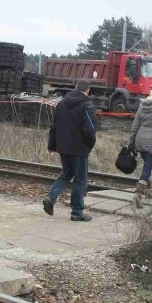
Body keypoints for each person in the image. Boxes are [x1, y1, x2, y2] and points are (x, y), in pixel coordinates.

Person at [43, 79, 97, 221]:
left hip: (63, 147)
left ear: (75, 88)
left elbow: (54, 126)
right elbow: (90, 130)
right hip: (79, 149)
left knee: (67, 173)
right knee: (80, 180)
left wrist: (52, 145)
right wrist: (89, 145)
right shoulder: (87, 106)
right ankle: (77, 213)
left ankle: (51, 198)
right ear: (87, 90)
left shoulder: (61, 103)